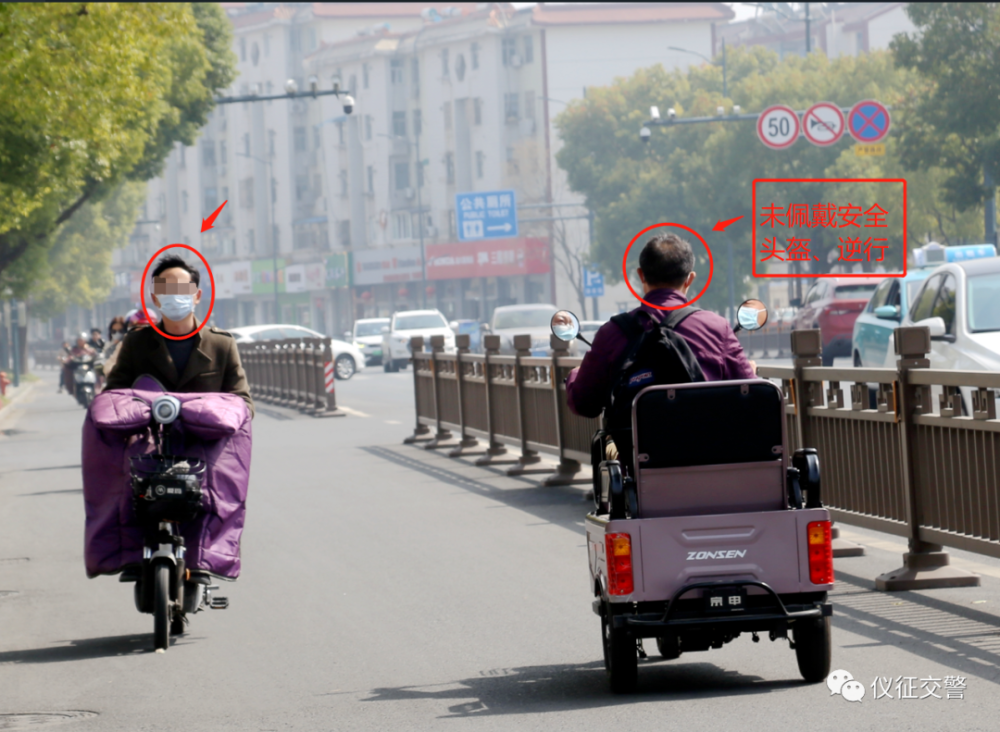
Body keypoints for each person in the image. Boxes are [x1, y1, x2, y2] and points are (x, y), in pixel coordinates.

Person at [566, 232, 756, 421]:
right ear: (690, 278)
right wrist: (750, 371)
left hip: (635, 450)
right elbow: (752, 395)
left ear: (641, 275)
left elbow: (584, 404)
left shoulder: (612, 332)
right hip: (707, 449)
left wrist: (575, 374)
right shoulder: (717, 328)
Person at [104, 255, 254, 417]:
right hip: (152, 438)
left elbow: (243, 402)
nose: (174, 295)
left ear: (197, 296)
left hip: (207, 438)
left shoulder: (221, 344)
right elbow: (113, 397)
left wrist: (218, 416)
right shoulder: (136, 343)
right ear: (155, 298)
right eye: (166, 289)